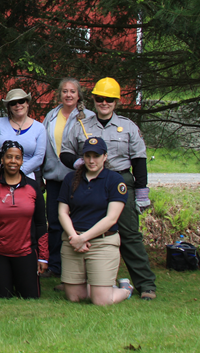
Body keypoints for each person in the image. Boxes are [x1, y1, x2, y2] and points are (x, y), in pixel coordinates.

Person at [62, 77, 155, 299]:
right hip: (89, 181)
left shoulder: (128, 127)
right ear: (93, 99)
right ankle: (83, 281)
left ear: (116, 102)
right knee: (86, 228)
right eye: (100, 98)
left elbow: (139, 160)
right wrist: (80, 164)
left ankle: (146, 284)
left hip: (120, 181)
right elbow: (65, 152)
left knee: (130, 233)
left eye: (109, 99)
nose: (104, 103)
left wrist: (141, 192)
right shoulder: (81, 124)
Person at [57, 135, 134, 305]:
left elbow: (111, 218)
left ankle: (125, 289)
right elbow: (62, 212)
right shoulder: (71, 179)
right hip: (73, 241)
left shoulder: (115, 180)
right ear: (82, 157)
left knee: (101, 301)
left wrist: (83, 238)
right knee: (75, 297)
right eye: (87, 156)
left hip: (102, 242)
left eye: (96, 156)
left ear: (105, 157)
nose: (92, 161)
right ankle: (99, 285)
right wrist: (75, 238)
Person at [0, 139, 47, 298]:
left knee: (29, 297)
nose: (13, 161)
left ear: (22, 160)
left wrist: (43, 257)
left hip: (26, 251)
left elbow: (41, 224)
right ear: (1, 159)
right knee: (1, 295)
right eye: (9, 157)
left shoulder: (33, 187)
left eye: (17, 157)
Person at [41, 78, 97, 276]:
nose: (68, 95)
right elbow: (44, 146)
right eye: (64, 91)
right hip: (55, 177)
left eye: (72, 91)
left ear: (78, 94)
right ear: (60, 94)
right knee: (55, 222)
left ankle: (82, 265)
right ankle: (56, 265)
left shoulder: (88, 117)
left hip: (79, 177)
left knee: (78, 221)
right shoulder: (51, 116)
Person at [0, 88, 46, 182]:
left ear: (27, 104)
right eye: (13, 103)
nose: (17, 105)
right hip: (0, 176)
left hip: (28, 177)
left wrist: (19, 172)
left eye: (21, 101)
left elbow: (39, 157)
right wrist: (4, 170)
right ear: (9, 107)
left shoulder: (39, 128)